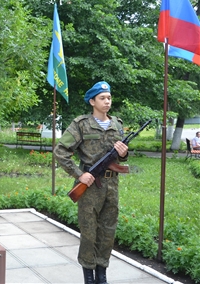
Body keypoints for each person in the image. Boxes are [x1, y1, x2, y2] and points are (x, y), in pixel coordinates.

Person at [54, 81, 129, 284]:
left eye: (109, 98)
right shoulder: (81, 124)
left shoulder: (117, 125)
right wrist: (79, 175)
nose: (107, 101)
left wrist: (124, 154)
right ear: (92, 101)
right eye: (102, 98)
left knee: (108, 231)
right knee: (89, 232)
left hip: (112, 186)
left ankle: (101, 272)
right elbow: (60, 152)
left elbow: (120, 158)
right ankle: (89, 274)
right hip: (89, 186)